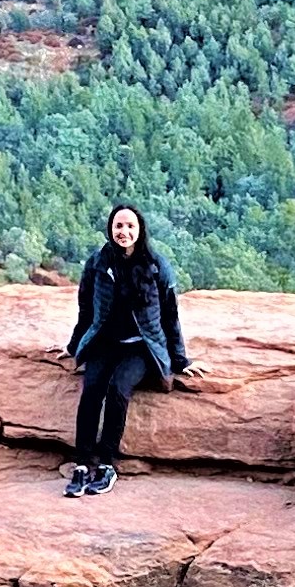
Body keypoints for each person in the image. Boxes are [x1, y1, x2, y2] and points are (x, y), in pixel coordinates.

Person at [64, 203, 190, 494]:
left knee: (118, 389)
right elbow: (86, 310)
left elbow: (170, 315)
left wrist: (180, 360)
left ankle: (107, 464)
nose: (124, 231)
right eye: (118, 226)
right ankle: (82, 464)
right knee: (92, 388)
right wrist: (74, 346)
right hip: (104, 343)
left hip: (141, 347)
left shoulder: (156, 265)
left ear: (140, 229)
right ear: (110, 229)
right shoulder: (98, 263)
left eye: (130, 226)